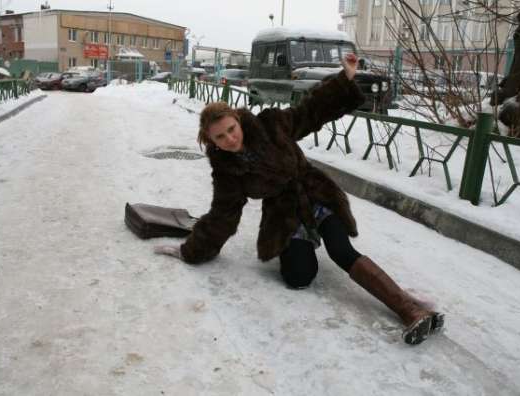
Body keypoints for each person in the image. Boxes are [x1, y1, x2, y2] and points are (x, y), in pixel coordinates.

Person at [155, 53, 444, 345]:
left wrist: (345, 78)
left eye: (231, 129)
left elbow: (312, 110)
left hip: (316, 193)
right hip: (284, 213)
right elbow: (223, 214)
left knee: (341, 251)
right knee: (299, 277)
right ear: (210, 141)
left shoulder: (271, 124)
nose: (230, 139)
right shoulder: (227, 171)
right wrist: (191, 250)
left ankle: (408, 308)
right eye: (220, 137)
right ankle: (310, 246)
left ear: (238, 120)